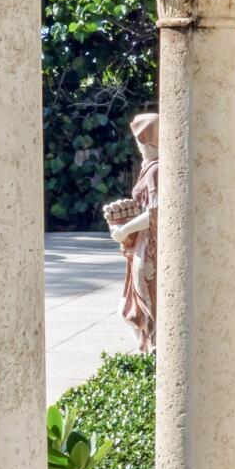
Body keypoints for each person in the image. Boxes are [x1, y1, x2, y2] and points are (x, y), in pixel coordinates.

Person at [104, 111, 160, 351]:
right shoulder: (149, 168)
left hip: (149, 248)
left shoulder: (156, 170)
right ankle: (148, 355)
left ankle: (153, 356)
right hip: (141, 245)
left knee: (140, 307)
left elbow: (157, 211)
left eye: (141, 141)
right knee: (131, 307)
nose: (139, 146)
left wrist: (124, 228)